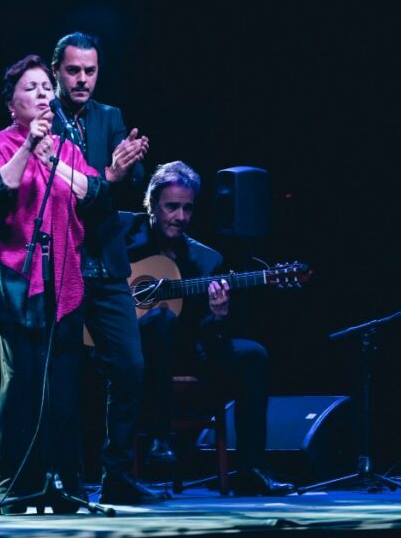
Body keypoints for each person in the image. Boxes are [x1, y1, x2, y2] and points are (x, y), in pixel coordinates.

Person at [0, 55, 110, 514]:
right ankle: (12, 488)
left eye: (45, 88)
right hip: (16, 278)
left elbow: (95, 195)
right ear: (11, 103)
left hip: (64, 277)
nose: (41, 94)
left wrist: (55, 159)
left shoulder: (68, 147)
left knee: (63, 388)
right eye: (30, 88)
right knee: (22, 385)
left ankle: (66, 486)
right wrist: (30, 147)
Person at [123, 161, 295, 496]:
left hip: (187, 348)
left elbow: (207, 333)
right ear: (152, 204)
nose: (180, 216)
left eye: (188, 208)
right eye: (172, 207)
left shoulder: (206, 260)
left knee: (253, 356)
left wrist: (218, 316)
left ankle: (251, 468)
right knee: (159, 321)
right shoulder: (125, 236)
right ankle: (159, 437)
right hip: (135, 352)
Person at [49, 32, 165, 504]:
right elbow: (70, 189)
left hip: (107, 263)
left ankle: (116, 473)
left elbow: (129, 179)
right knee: (64, 375)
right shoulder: (43, 119)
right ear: (57, 71)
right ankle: (67, 478)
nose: (82, 79)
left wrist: (128, 162)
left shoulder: (109, 116)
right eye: (74, 70)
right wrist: (109, 174)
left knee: (130, 365)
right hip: (64, 263)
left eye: (90, 71)